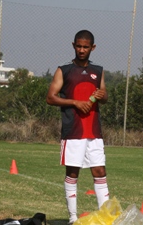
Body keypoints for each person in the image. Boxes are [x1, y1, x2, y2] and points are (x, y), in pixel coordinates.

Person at [46, 30, 109, 224]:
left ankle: (106, 218)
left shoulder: (98, 71)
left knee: (100, 172)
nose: (81, 50)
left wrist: (101, 95)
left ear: (93, 48)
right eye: (79, 46)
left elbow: (104, 96)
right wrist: (75, 103)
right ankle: (73, 218)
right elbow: (50, 97)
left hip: (94, 131)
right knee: (73, 173)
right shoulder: (63, 70)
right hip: (73, 131)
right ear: (73, 45)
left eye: (86, 47)